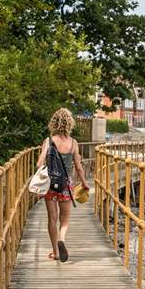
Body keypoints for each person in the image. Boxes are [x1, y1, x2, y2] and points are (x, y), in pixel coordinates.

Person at [38, 108, 87, 262]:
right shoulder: (73, 143)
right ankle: (62, 239)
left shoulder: (48, 141)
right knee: (64, 219)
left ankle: (56, 252)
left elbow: (39, 163)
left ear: (54, 123)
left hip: (51, 185)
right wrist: (85, 183)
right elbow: (78, 167)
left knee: (52, 218)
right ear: (69, 123)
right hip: (67, 185)